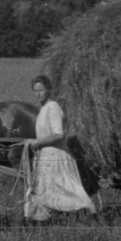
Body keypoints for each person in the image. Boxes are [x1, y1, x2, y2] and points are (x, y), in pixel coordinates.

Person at [22, 75, 97, 221]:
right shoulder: (43, 109)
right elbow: (46, 135)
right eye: (35, 90)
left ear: (49, 90)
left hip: (56, 156)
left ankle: (93, 214)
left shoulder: (53, 107)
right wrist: (34, 141)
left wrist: (38, 143)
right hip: (45, 156)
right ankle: (36, 220)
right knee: (39, 189)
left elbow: (58, 134)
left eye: (41, 90)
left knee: (69, 188)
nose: (38, 93)